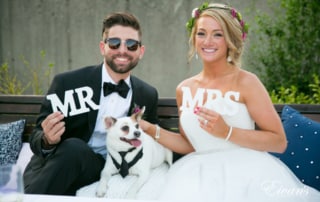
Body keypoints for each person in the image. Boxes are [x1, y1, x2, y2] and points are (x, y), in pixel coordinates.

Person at [139, 2, 320, 202]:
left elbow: (278, 142)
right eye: (201, 33)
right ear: (193, 38)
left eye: (218, 34)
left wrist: (227, 132)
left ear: (231, 40)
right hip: (196, 177)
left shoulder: (247, 82)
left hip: (248, 175)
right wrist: (148, 128)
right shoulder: (184, 89)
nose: (208, 41)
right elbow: (190, 145)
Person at [23, 12, 159, 195]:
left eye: (131, 44)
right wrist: (47, 139)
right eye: (114, 43)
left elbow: (151, 139)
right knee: (74, 148)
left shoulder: (147, 95)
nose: (123, 50)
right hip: (60, 162)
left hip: (105, 166)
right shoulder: (68, 83)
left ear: (140, 52)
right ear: (103, 47)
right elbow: (36, 136)